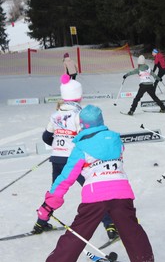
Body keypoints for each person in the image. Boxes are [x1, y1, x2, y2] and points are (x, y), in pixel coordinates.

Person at [35, 105, 154, 262]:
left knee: (77, 234)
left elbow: (66, 178)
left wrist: (49, 205)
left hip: (95, 196)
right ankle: (145, 260)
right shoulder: (116, 140)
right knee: (132, 231)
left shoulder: (81, 148)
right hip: (122, 193)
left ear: (82, 124)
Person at [32, 74, 117, 240]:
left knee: (56, 190)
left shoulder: (55, 114)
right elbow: (87, 136)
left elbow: (46, 137)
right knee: (94, 188)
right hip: (75, 160)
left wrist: (58, 145)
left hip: (57, 159)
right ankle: (110, 225)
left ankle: (40, 221)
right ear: (78, 96)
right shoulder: (80, 114)